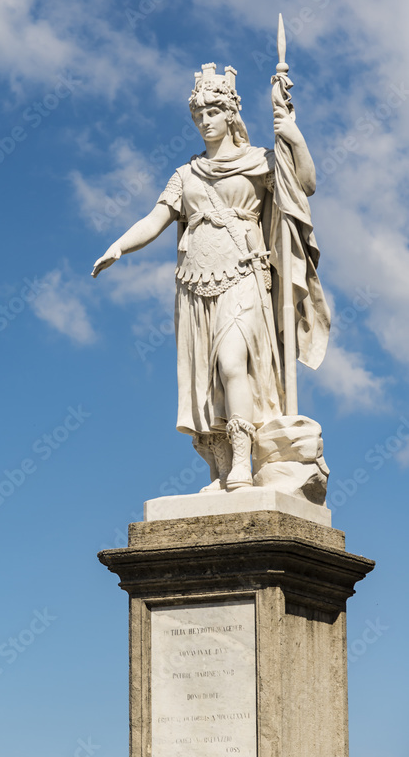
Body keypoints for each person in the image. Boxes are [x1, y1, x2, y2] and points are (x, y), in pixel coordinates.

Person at [92, 64, 328, 492]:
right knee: (207, 379)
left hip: (244, 273)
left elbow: (305, 185)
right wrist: (119, 246)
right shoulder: (186, 174)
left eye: (214, 112)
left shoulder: (260, 160)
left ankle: (243, 462)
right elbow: (156, 218)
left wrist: (293, 135)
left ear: (231, 113)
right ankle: (219, 475)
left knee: (231, 361)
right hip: (195, 281)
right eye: (199, 114)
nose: (205, 121)